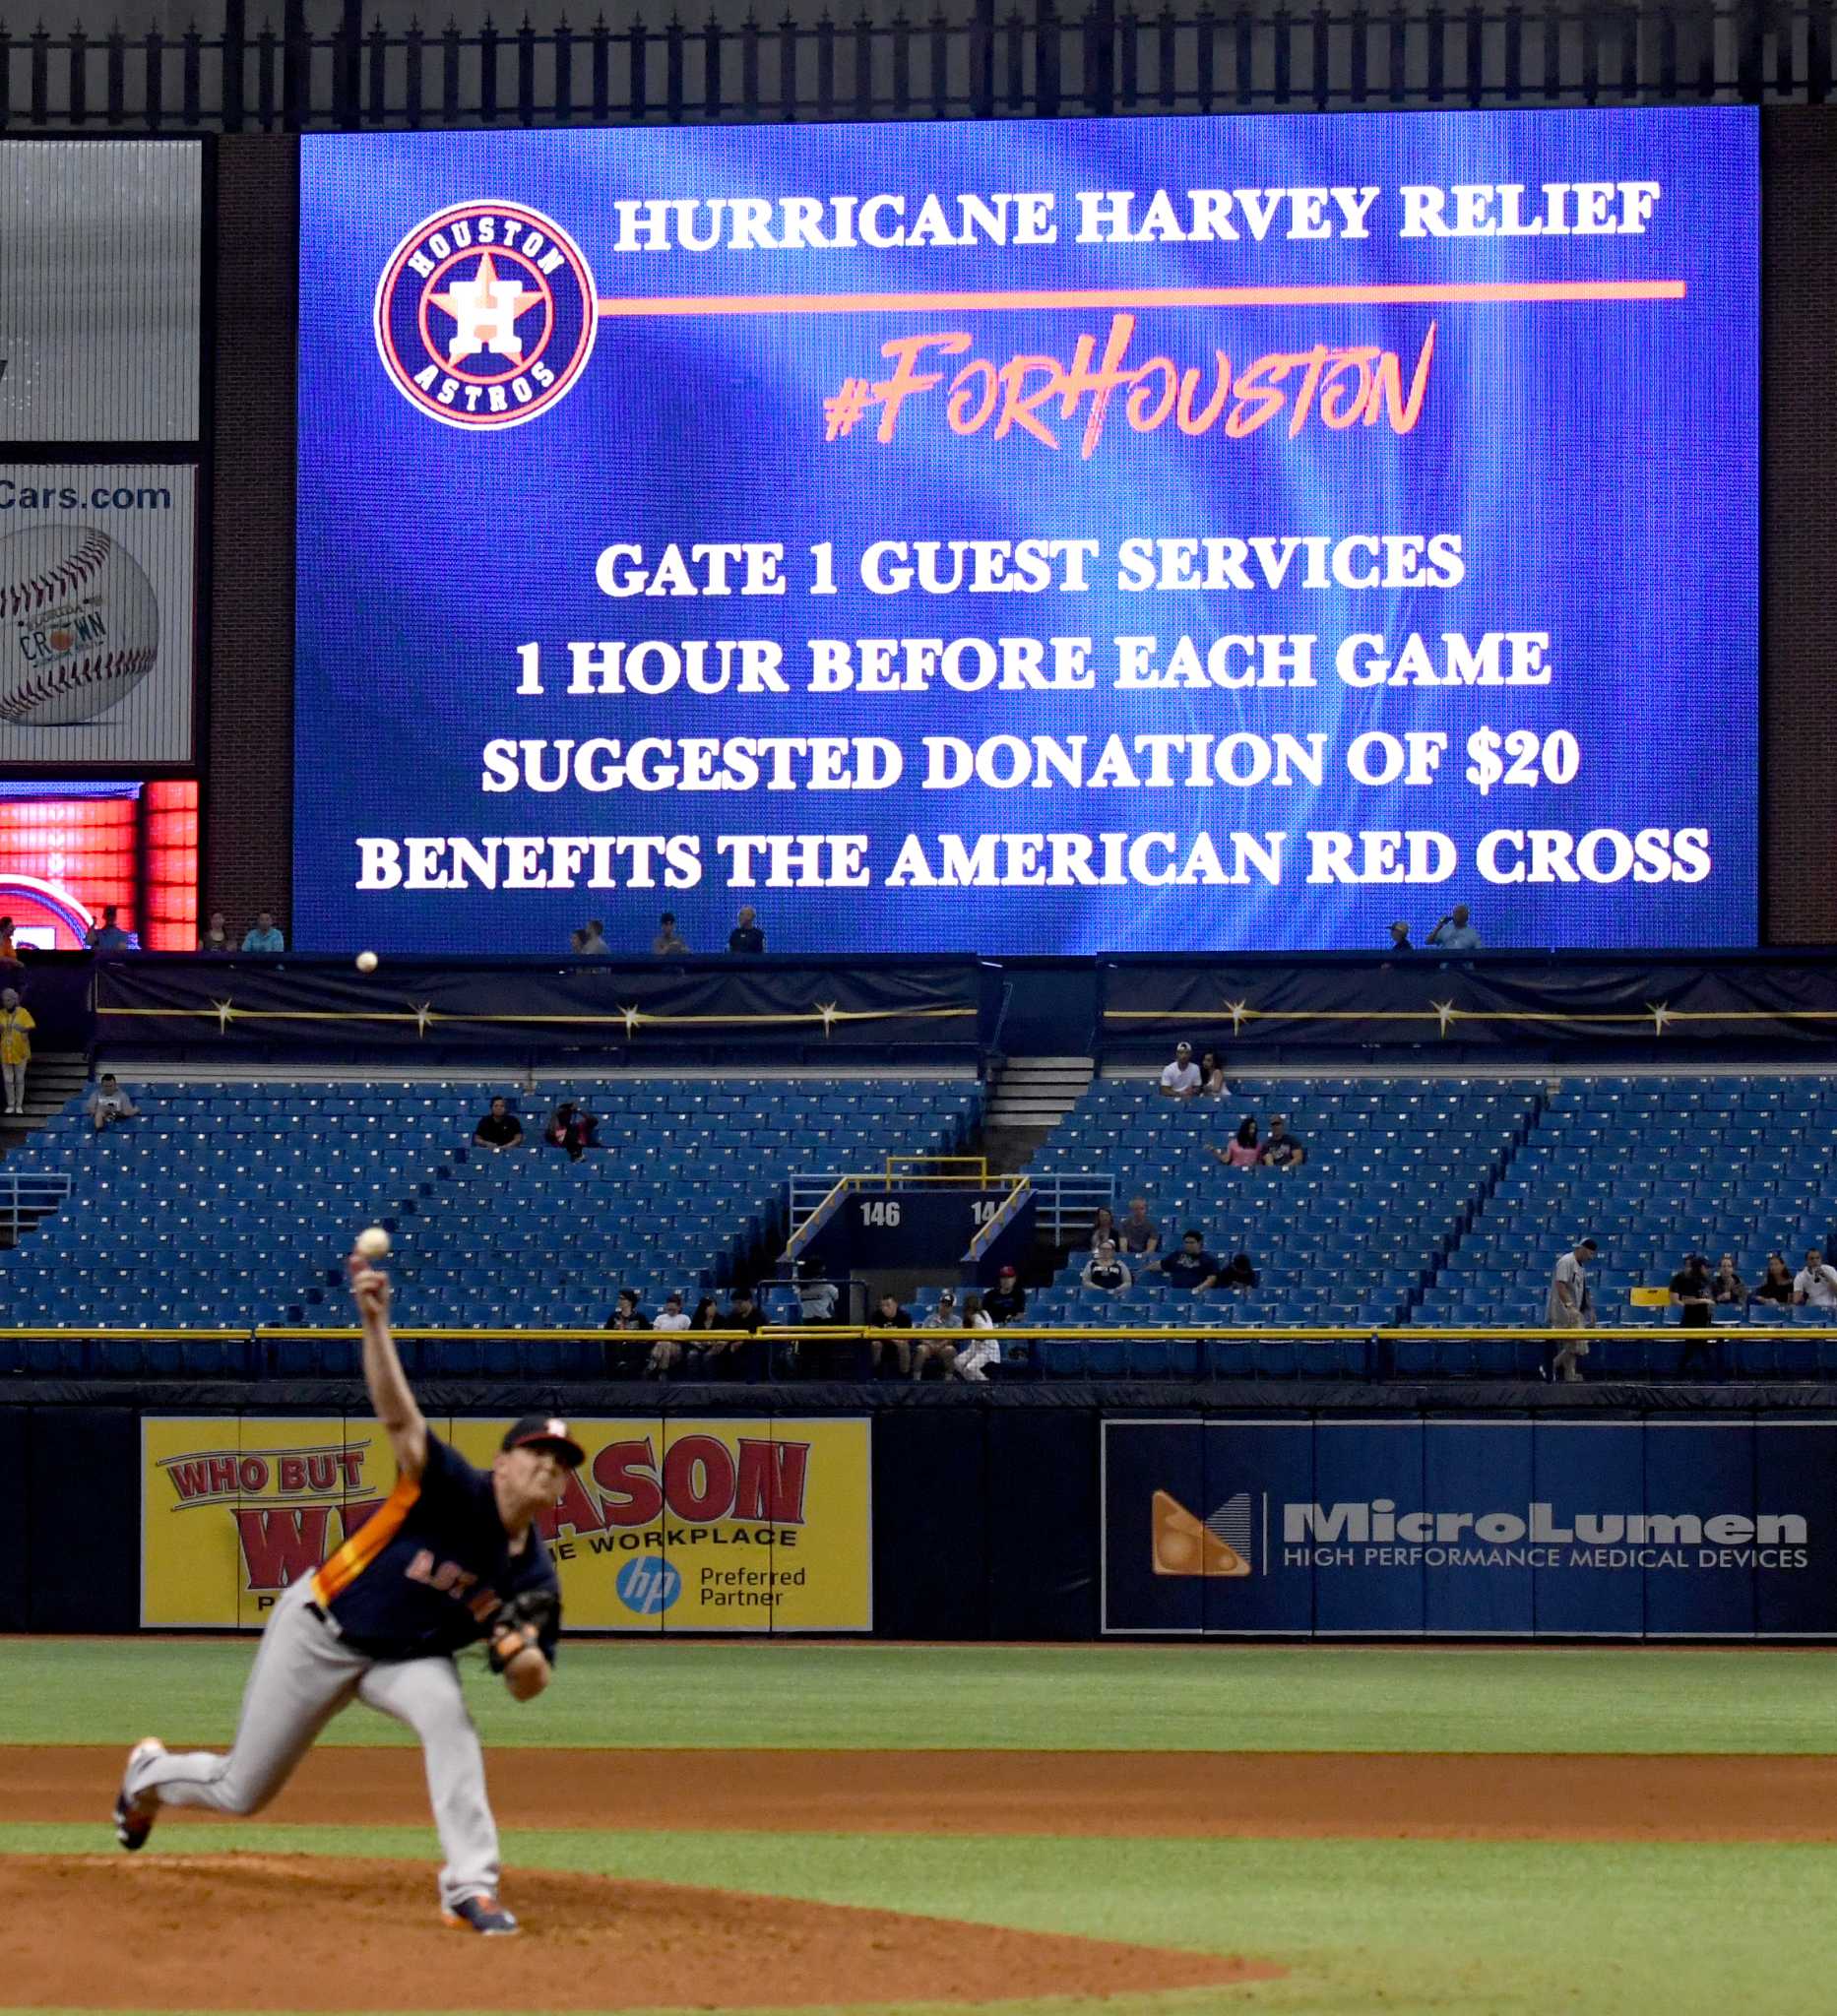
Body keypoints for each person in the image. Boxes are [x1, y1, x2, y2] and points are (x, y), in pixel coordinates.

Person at [112, 1252, 573, 1937]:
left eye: (562, 1464)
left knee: (451, 1721)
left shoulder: (533, 1576)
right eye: (537, 1452)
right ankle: (149, 1775)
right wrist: (375, 1323)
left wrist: (517, 1650)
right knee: (243, 1792)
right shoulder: (450, 1486)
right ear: (502, 1462)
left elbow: (529, 1684)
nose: (549, 1466)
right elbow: (398, 1415)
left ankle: (469, 1887)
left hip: (406, 1659)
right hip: (321, 1627)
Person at [1546, 1235, 1598, 1382]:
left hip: (1576, 1311)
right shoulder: (1566, 1261)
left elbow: (1584, 1291)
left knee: (1573, 1344)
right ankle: (1551, 1366)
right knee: (1578, 1345)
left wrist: (1590, 1310)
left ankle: (1570, 1375)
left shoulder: (1581, 1267)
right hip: (1564, 1310)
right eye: (1590, 1253)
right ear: (1582, 1249)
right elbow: (1560, 1284)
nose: (1591, 1257)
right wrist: (1569, 1306)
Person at [1669, 1252, 1716, 1376]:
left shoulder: (1706, 1282)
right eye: (1706, 1267)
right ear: (1701, 1268)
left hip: (1703, 1320)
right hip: (1692, 1320)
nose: (1708, 1270)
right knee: (1698, 1348)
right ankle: (1713, 1375)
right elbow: (1686, 1300)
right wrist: (1704, 1301)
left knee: (1693, 1349)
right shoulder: (1690, 1281)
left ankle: (1679, 1374)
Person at [0, 987, 34, 1115]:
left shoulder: (23, 1013)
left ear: (14, 1000)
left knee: (19, 1079)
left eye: (8, 1000)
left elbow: (30, 1026)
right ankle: (10, 1104)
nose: (6, 1003)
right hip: (5, 1051)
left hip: (21, 1052)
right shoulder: (1, 1014)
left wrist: (21, 1028)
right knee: (8, 1080)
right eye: (4, 1000)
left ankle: (19, 1105)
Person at [1160, 1230, 1222, 1294]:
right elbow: (1161, 1265)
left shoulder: (1209, 1259)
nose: (1188, 1245)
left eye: (1192, 1243)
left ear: (1199, 1243)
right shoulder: (1176, 1255)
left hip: (1197, 1294)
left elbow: (1212, 1279)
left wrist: (1198, 1289)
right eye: (1186, 1242)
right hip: (1175, 1293)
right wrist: (1149, 1267)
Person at [870, 1291, 914, 1377]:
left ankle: (904, 1375)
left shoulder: (905, 1316)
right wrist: (891, 1338)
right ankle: (875, 1374)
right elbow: (873, 1331)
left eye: (887, 1305)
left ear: (895, 1305)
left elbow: (907, 1336)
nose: (884, 1308)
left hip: (898, 1343)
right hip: (883, 1343)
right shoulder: (876, 1315)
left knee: (904, 1345)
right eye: (882, 1306)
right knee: (875, 1344)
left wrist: (888, 1336)